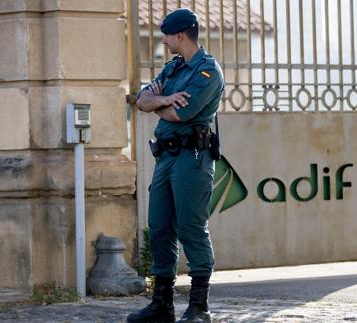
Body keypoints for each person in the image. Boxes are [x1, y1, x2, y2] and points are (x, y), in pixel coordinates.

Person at [126, 8, 224, 323]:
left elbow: (180, 115)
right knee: (160, 227)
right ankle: (162, 305)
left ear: (180, 35)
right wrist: (166, 99)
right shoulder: (173, 68)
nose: (164, 39)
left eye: (167, 34)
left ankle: (199, 307)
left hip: (192, 159)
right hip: (166, 159)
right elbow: (141, 100)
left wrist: (161, 102)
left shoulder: (207, 72)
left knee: (191, 228)